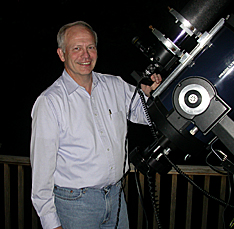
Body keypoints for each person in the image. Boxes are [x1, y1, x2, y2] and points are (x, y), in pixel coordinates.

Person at [30, 21, 162, 229]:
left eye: (91, 47)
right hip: (75, 205)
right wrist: (51, 223)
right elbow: (41, 171)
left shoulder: (115, 85)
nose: (86, 55)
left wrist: (157, 94)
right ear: (62, 54)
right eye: (77, 48)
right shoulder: (50, 102)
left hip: (117, 197)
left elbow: (144, 115)